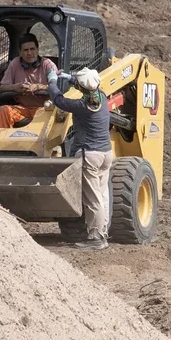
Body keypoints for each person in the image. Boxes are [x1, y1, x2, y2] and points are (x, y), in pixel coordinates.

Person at [47, 67, 112, 251]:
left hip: (90, 154)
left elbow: (60, 100)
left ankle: (96, 238)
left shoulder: (82, 107)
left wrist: (52, 82)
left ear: (82, 89)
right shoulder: (102, 97)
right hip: (106, 153)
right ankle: (103, 232)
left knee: (92, 199)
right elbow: (86, 86)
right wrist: (68, 77)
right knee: (102, 194)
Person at [0, 33, 58, 128]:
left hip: (45, 109)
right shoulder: (15, 64)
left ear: (37, 50)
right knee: (4, 110)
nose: (29, 53)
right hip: (24, 109)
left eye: (32, 49)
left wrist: (37, 87)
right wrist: (15, 87)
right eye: (25, 50)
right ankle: (2, 141)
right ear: (20, 52)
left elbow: (57, 87)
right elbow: (1, 88)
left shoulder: (47, 64)